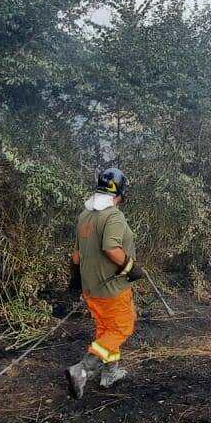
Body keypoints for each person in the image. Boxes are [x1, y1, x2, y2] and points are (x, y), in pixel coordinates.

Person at [65, 167, 138, 399]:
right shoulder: (113, 215)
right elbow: (111, 249)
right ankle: (83, 369)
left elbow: (76, 256)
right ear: (121, 193)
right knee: (121, 327)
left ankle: (110, 373)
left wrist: (76, 281)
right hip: (112, 288)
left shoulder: (85, 215)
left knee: (106, 329)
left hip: (91, 289)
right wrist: (131, 268)